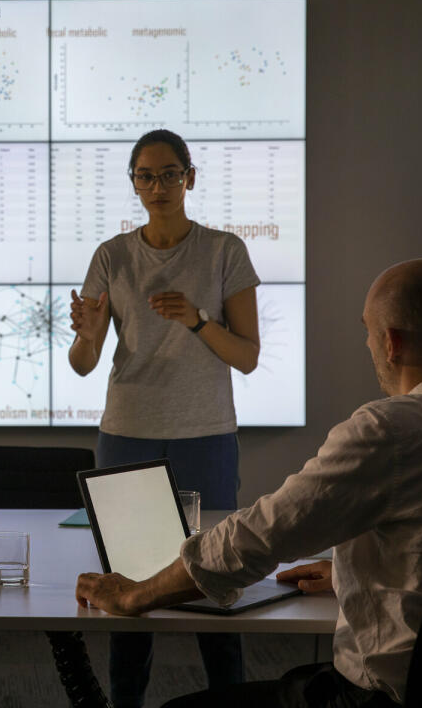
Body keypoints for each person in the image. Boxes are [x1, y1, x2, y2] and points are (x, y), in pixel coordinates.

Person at [75, 259, 422, 707]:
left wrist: (136, 593)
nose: (367, 345)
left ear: (392, 343)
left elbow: (255, 539)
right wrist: (345, 573)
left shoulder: (388, 431)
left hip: (379, 700)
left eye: (367, 331)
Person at [67, 129, 260, 705]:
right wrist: (83, 334)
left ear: (190, 178)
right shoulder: (112, 255)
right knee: (128, 581)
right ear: (133, 184)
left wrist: (198, 321)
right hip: (126, 432)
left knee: (216, 577)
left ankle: (232, 696)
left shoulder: (224, 250)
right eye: (146, 176)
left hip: (205, 432)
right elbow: (83, 365)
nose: (158, 186)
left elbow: (248, 357)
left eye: (170, 174)